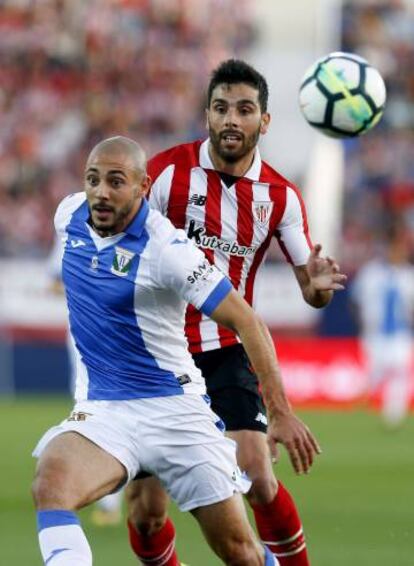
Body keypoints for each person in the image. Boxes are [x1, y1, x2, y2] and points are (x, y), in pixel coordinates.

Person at [31, 135, 320, 566]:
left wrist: (278, 409)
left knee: (240, 551)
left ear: (143, 187)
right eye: (93, 180)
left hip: (174, 413)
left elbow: (247, 321)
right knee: (52, 482)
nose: (101, 192)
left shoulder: (167, 249)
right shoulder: (68, 215)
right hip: (105, 412)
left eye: (116, 181)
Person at [126, 59, 346, 566]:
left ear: (263, 121)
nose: (231, 119)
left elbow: (311, 291)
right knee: (146, 511)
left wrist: (317, 287)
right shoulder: (164, 174)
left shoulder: (281, 197)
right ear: (207, 113)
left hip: (225, 348)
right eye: (221, 108)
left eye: (244, 110)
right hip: (157, 352)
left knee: (257, 470)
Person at [48, 234, 124, 527]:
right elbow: (54, 282)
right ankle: (107, 493)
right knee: (88, 407)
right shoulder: (72, 232)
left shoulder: (135, 232)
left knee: (112, 406)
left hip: (121, 334)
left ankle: (112, 495)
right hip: (82, 334)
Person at [351, 226, 414, 428]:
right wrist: (362, 323)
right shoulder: (371, 273)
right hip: (374, 333)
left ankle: (393, 416)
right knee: (374, 373)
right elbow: (355, 299)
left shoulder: (408, 276)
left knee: (399, 372)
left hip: (400, 333)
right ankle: (360, 406)